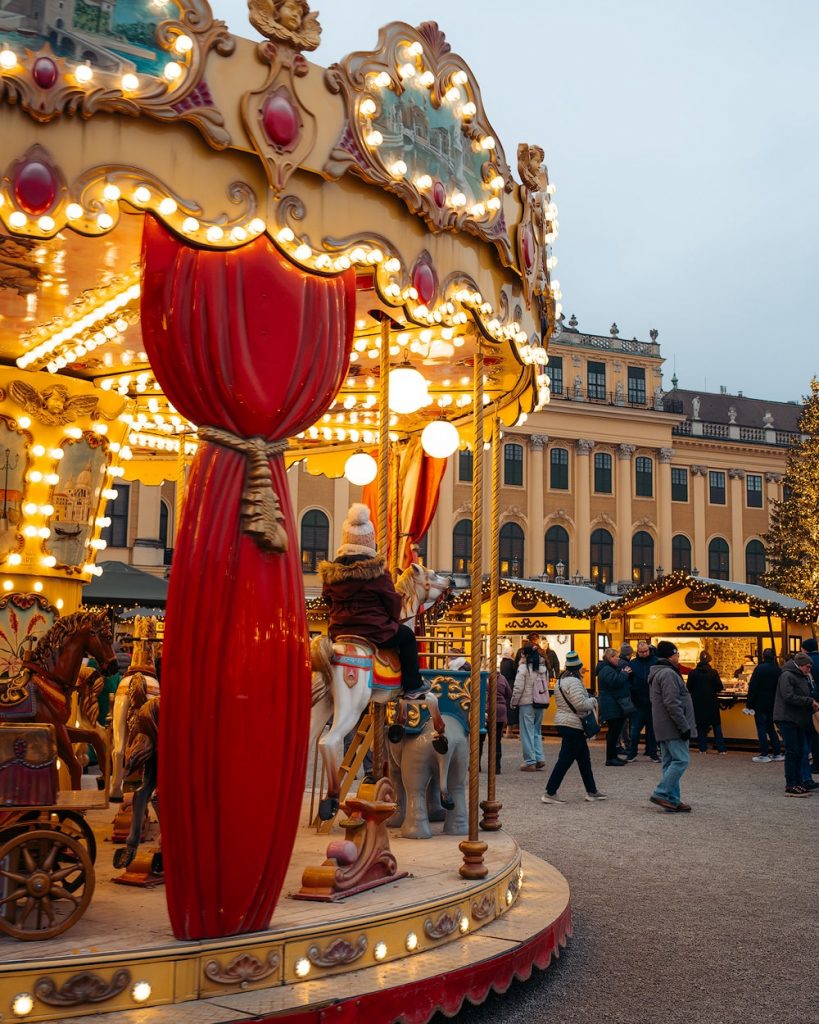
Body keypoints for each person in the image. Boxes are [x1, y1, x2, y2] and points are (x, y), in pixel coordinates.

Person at [319, 503, 429, 698]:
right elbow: (392, 603)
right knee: (407, 637)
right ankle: (412, 686)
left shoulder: (331, 574)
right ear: (370, 542)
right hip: (375, 631)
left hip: (339, 632)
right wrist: (391, 618)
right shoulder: (377, 572)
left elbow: (327, 599)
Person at [541, 651, 606, 803]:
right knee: (565, 759)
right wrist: (593, 700)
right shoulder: (574, 682)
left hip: (564, 722)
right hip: (573, 724)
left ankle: (591, 790)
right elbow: (580, 705)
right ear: (577, 667)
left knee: (584, 759)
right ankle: (550, 792)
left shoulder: (560, 681)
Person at [649, 640, 697, 812]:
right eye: (677, 654)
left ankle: (672, 799)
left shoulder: (659, 672)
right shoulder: (668, 673)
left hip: (664, 725)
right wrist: (684, 726)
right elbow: (672, 703)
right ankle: (661, 792)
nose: (678, 657)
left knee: (669, 763)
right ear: (671, 656)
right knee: (681, 760)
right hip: (673, 726)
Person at [773, 652, 819, 797]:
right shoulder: (787, 675)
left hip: (797, 719)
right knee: (792, 751)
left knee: (799, 751)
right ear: (800, 665)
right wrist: (808, 701)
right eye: (807, 666)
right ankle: (791, 783)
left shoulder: (802, 676)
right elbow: (788, 696)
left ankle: (798, 782)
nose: (809, 669)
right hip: (787, 718)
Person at [511, 643, 548, 771]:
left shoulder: (523, 668)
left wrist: (514, 702)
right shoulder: (543, 669)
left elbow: (518, 687)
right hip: (540, 703)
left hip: (526, 703)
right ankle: (539, 757)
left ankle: (530, 761)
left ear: (525, 655)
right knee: (537, 731)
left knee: (527, 733)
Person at [596, 646, 633, 766]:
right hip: (611, 705)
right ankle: (610, 758)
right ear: (610, 657)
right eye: (616, 657)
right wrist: (624, 673)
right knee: (613, 732)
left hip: (613, 704)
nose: (618, 659)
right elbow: (615, 682)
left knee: (615, 732)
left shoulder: (609, 668)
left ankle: (613, 756)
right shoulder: (606, 669)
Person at [746, 648, 783, 762]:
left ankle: (764, 753)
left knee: (761, 729)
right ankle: (777, 752)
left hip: (760, 703)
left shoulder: (759, 669)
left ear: (763, 656)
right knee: (770, 728)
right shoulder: (777, 669)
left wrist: (749, 704)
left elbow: (753, 687)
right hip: (773, 703)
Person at [686, 652, 727, 754]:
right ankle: (721, 749)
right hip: (711, 702)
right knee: (716, 725)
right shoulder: (713, 672)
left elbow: (688, 687)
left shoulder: (693, 673)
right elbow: (719, 687)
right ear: (709, 661)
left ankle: (702, 749)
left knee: (700, 726)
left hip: (698, 702)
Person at [627, 640, 659, 762]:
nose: (644, 653)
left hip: (652, 702)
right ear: (638, 652)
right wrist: (632, 690)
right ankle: (632, 753)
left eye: (646, 651)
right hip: (638, 702)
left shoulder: (656, 661)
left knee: (652, 730)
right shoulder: (633, 663)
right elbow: (628, 680)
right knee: (635, 729)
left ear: (649, 650)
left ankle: (653, 753)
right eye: (641, 652)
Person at [500, 640, 518, 738]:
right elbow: (515, 674)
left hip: (503, 685)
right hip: (511, 685)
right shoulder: (512, 663)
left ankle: (501, 730)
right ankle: (508, 731)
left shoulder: (502, 662)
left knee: (504, 707)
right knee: (511, 708)